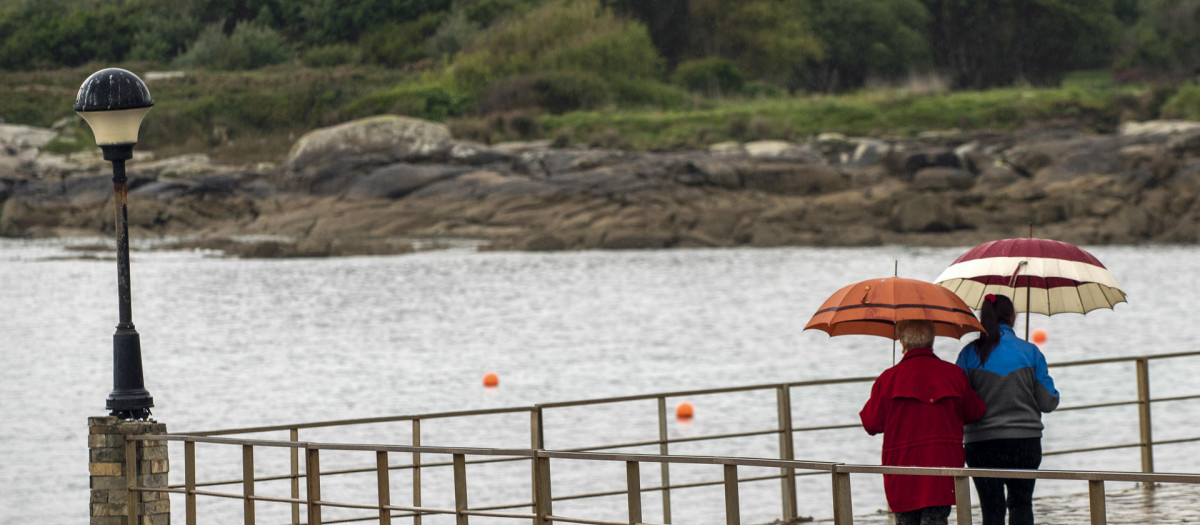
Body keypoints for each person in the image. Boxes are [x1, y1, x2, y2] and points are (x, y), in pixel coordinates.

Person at [861, 320, 987, 525]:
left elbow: (871, 423)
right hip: (942, 468)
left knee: (905, 521)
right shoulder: (954, 375)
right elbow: (975, 411)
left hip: (902, 471)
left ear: (902, 342)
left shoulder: (889, 379)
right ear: (932, 340)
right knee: (936, 520)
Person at [956, 293, 1060, 525]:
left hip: (981, 444)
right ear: (1013, 318)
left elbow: (959, 401)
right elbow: (1048, 402)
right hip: (1024, 442)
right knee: (1021, 503)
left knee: (991, 510)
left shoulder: (969, 354)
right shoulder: (1030, 352)